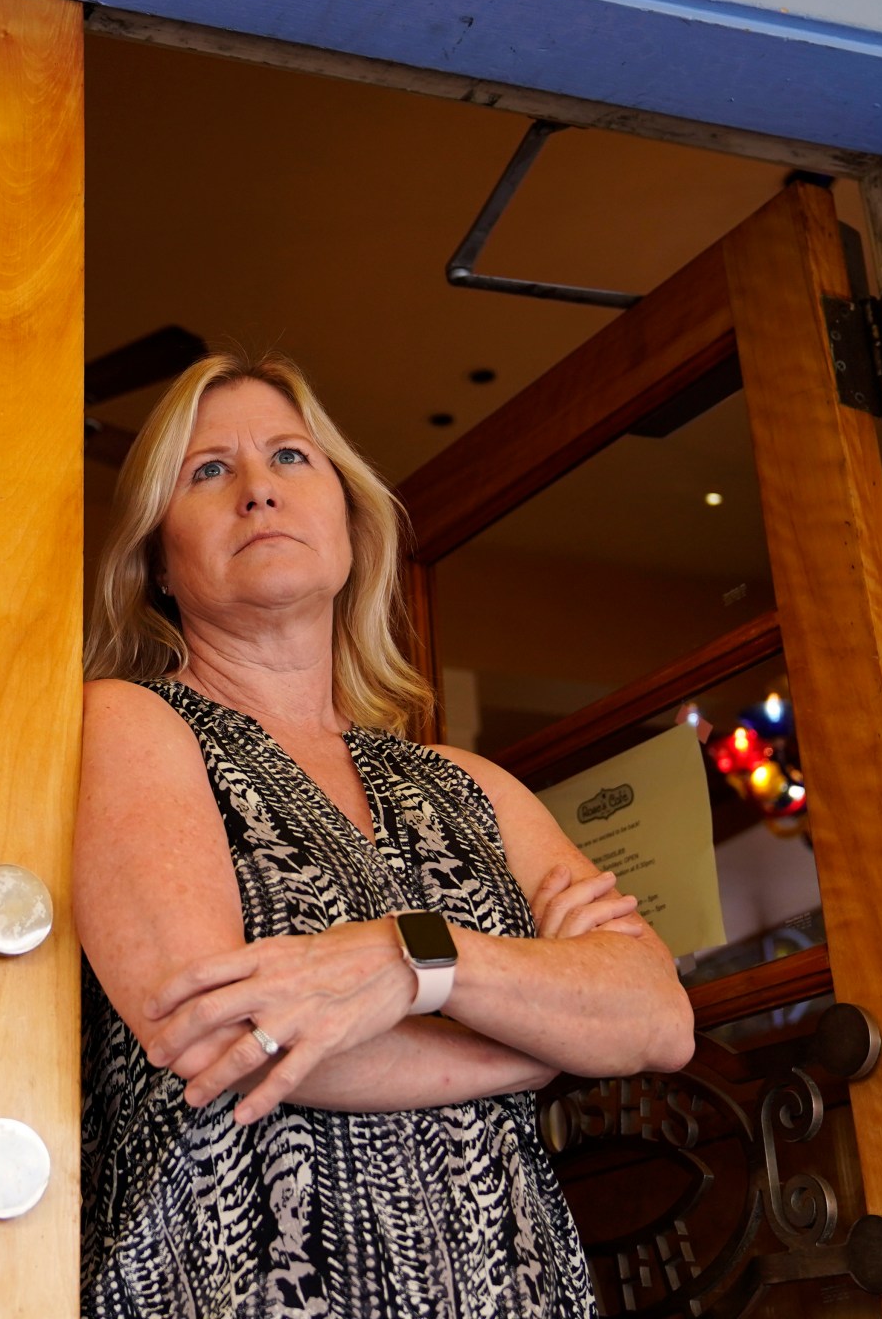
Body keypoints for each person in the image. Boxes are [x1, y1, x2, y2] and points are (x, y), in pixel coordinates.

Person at [76, 351, 694, 1317]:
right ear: (158, 558)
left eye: (290, 458)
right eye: (209, 471)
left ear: (350, 526)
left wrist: (415, 966)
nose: (257, 493)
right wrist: (539, 1047)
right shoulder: (129, 722)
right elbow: (226, 1037)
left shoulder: (469, 783)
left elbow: (656, 1013)